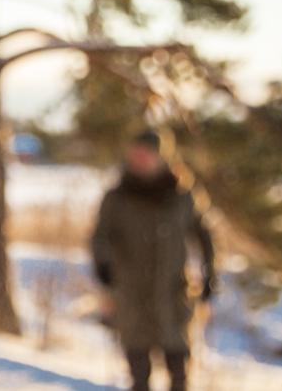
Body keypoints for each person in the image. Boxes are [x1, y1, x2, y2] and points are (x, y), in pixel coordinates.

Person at [90, 132, 216, 391]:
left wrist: (209, 272)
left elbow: (204, 234)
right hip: (132, 293)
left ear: (161, 156)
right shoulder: (118, 197)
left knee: (179, 370)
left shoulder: (182, 194)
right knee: (138, 373)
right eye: (135, 153)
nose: (139, 159)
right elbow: (100, 236)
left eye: (146, 154)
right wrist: (104, 270)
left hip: (174, 292)